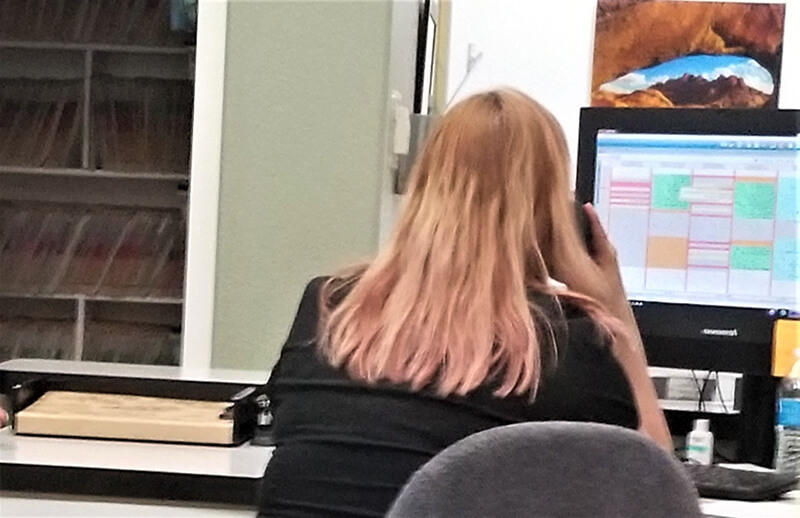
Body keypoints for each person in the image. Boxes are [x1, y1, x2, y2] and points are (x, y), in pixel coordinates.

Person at [259, 89, 671, 517]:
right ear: (550, 214)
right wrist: (612, 305)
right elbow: (661, 493)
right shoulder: (572, 345)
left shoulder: (326, 309)